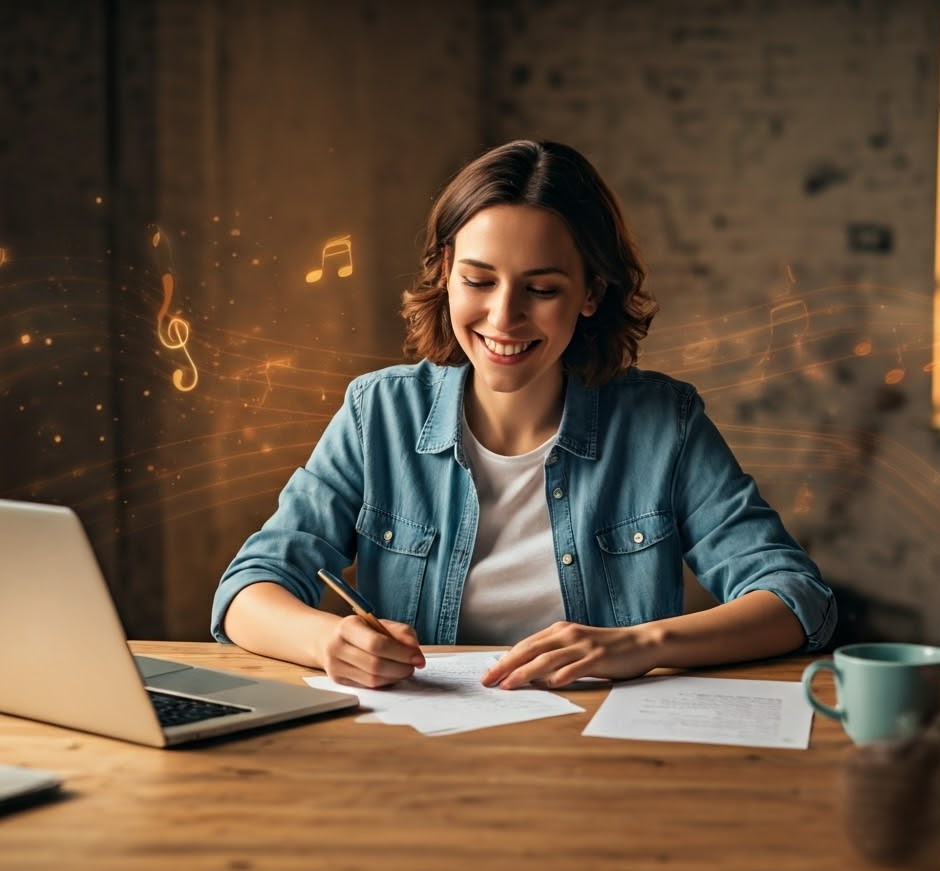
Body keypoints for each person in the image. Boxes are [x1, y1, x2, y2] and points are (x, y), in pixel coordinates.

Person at [212, 139, 836, 690]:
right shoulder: (378, 412)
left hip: (608, 757)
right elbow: (247, 591)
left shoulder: (662, 424)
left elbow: (795, 598)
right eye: (478, 281)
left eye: (541, 290)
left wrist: (640, 646)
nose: (504, 319)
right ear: (445, 275)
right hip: (418, 759)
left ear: (592, 293)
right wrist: (328, 642)